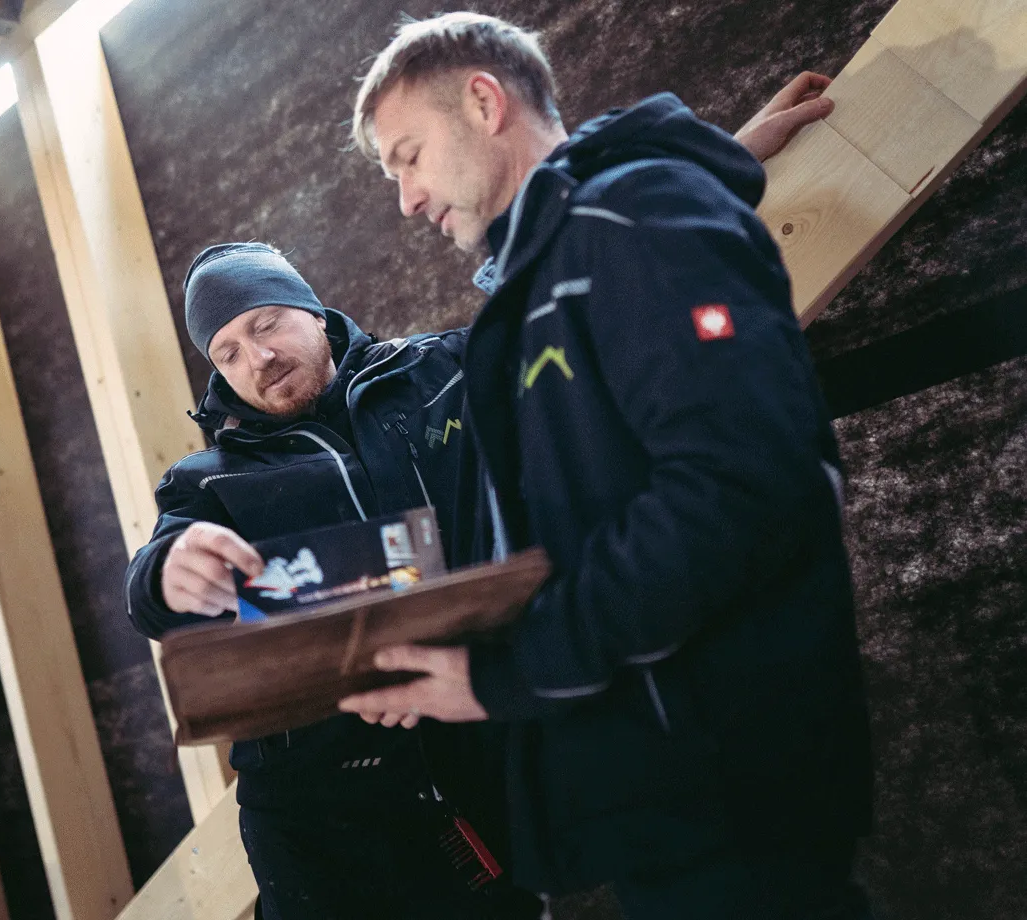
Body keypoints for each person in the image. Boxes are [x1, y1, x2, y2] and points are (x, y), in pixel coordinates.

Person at [339, 13, 874, 920]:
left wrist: (509, 675)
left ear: (482, 101)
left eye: (409, 155)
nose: (406, 199)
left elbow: (737, 490)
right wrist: (456, 653)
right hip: (657, 794)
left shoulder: (633, 218)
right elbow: (574, 524)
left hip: (723, 787)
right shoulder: (548, 272)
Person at [124, 242, 544, 919]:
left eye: (265, 324)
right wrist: (164, 574)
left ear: (316, 314)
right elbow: (148, 591)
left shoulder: (439, 371)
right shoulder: (207, 480)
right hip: (318, 816)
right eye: (226, 353)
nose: (256, 359)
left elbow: (564, 321)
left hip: (482, 755)